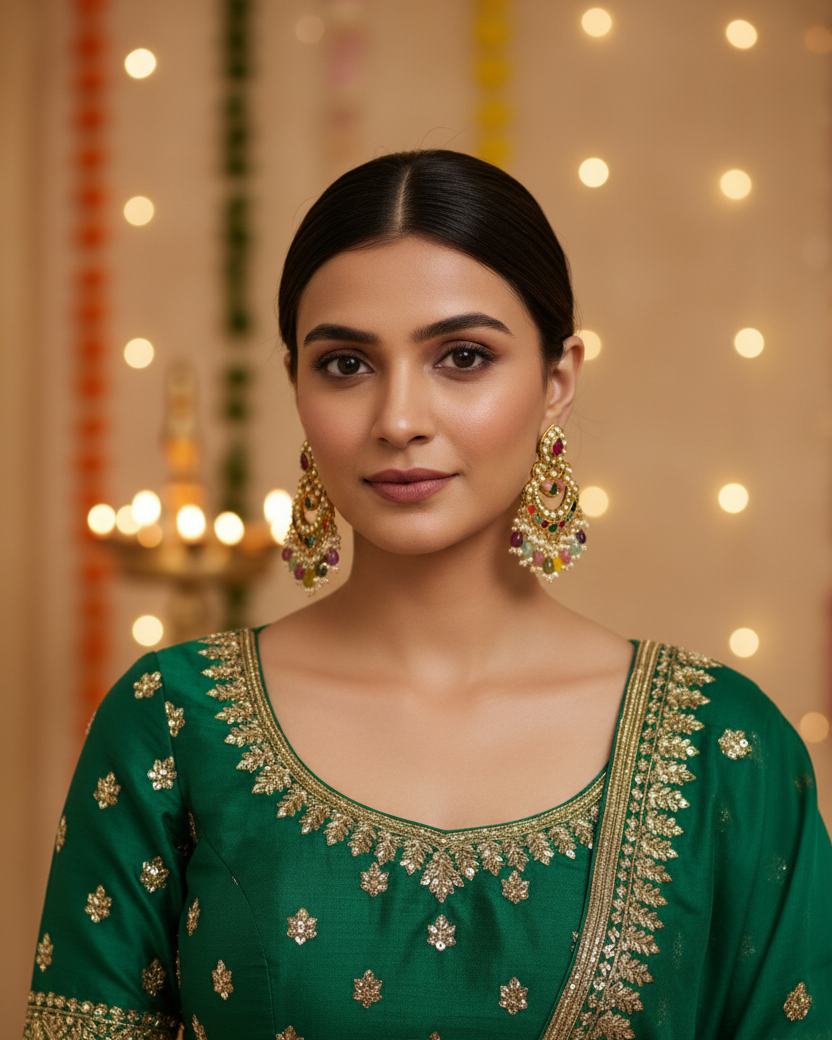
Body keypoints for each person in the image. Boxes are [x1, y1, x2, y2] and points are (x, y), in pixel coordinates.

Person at [24, 150, 832, 1040]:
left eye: (462, 356)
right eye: (345, 365)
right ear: (295, 382)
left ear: (556, 382)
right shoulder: (173, 723)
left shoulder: (728, 748)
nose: (400, 418)